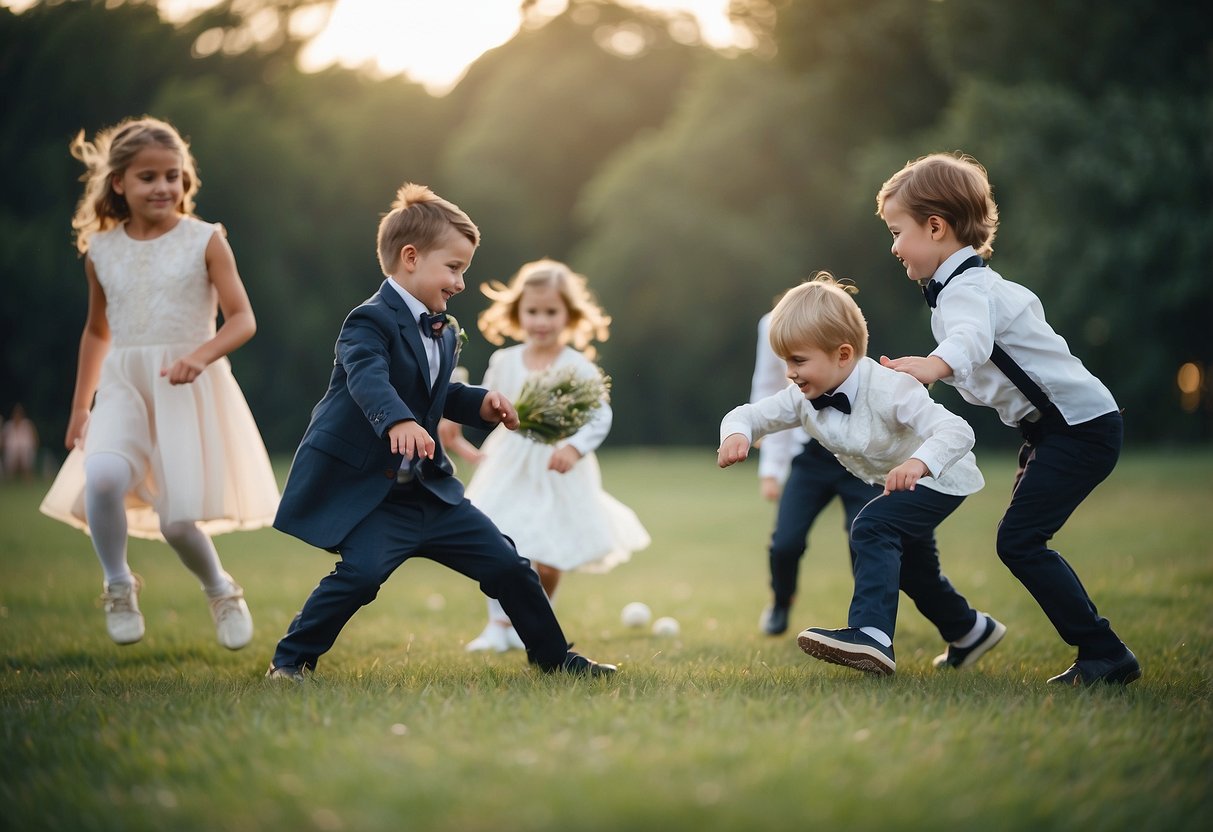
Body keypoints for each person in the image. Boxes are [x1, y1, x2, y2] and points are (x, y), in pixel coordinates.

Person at [266, 185, 616, 679]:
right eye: (454, 268)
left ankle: (554, 659)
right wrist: (399, 421)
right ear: (410, 258)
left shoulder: (444, 329)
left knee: (511, 567)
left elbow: (436, 396)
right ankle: (290, 662)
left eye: (464, 270)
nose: (460, 283)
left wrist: (482, 403)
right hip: (377, 498)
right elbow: (369, 379)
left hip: (431, 494)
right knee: (361, 577)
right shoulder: (368, 321)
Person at [876, 151, 1139, 687]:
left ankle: (1105, 653)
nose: (895, 245)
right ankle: (1101, 650)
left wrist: (932, 366)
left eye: (898, 231)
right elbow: (978, 361)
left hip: (1078, 428)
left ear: (936, 226)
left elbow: (969, 343)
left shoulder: (968, 290)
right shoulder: (962, 290)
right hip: (1054, 430)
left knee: (1018, 541)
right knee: (1018, 540)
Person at [39, 116, 278, 649]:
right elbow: (97, 330)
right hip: (123, 386)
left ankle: (221, 590)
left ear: (185, 181)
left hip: (185, 388)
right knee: (100, 480)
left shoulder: (206, 241)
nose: (163, 187)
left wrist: (201, 355)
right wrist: (81, 407)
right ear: (119, 182)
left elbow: (242, 318)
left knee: (177, 521)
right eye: (148, 177)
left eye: (173, 175)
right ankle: (118, 584)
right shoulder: (102, 251)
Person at [718, 274, 1005, 677]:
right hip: (895, 482)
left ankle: (871, 634)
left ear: (842, 354)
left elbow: (958, 431)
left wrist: (918, 464)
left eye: (798, 361)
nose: (791, 373)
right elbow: (753, 413)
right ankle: (970, 630)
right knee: (914, 572)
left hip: (940, 477)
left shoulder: (892, 389)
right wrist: (737, 433)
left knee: (869, 525)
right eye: (785, 362)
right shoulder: (803, 397)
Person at [459, 258, 650, 652]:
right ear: (517, 313)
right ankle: (497, 625)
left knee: (549, 552)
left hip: (558, 467)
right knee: (500, 542)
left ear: (569, 314)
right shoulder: (505, 361)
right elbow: (487, 404)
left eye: (551, 312)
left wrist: (574, 447)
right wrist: (461, 432)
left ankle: (535, 620)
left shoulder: (576, 366)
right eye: (532, 311)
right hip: (510, 465)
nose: (541, 321)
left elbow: (599, 415)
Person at [749, 310, 881, 636]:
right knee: (785, 543)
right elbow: (767, 392)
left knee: (862, 536)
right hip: (808, 457)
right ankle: (781, 601)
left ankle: (868, 625)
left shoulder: (842, 321)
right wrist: (771, 469)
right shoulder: (771, 325)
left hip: (860, 455)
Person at [2, 404, 40, 481]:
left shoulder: (27, 424)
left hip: (26, 450)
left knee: (25, 455)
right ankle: (10, 480)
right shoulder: (8, 426)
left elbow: (35, 438)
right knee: (12, 455)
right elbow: (3, 441)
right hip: (11, 451)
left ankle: (28, 480)